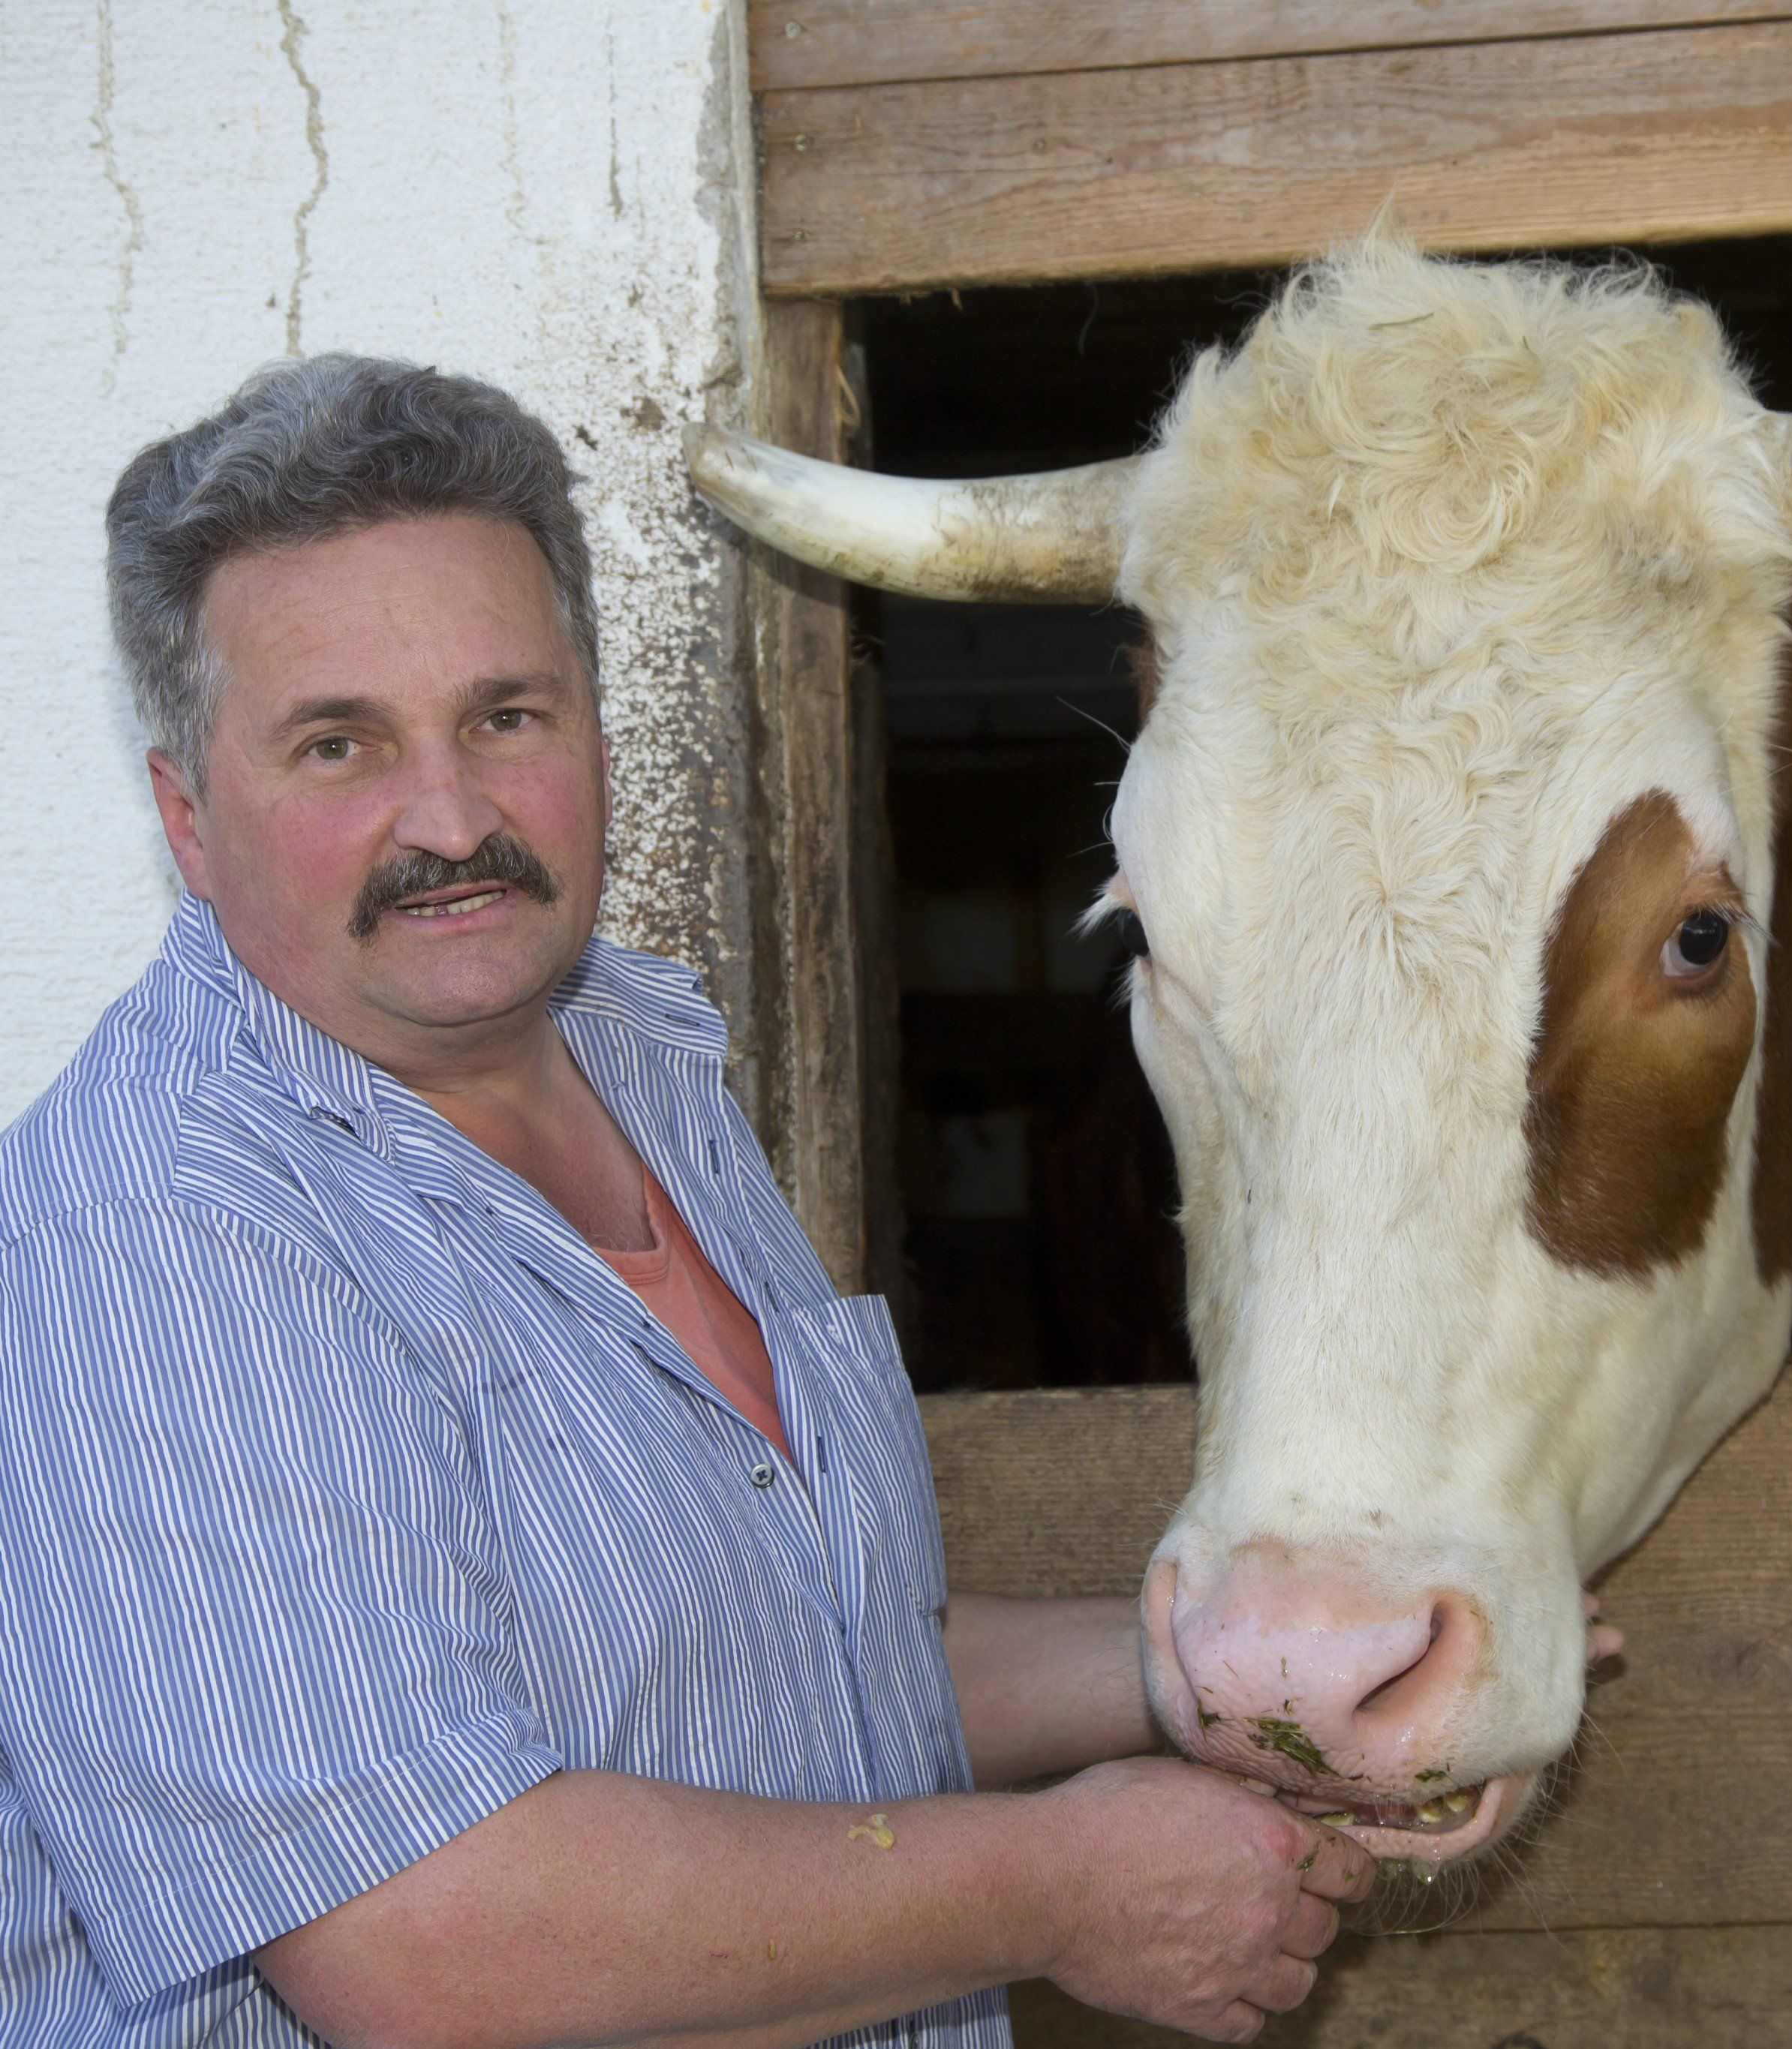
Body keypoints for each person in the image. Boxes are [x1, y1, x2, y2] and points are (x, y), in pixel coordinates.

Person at [0, 357, 1370, 2048]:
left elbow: (788, 1666)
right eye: (337, 743)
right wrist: (1058, 1884)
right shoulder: (158, 1228)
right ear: (187, 820)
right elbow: (425, 1945)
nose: (451, 818)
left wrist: (1218, 1673)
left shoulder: (642, 1062)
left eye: (505, 715)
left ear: (588, 714)